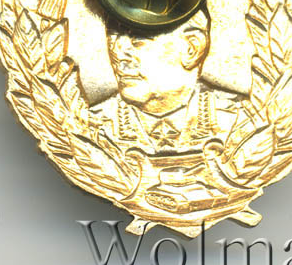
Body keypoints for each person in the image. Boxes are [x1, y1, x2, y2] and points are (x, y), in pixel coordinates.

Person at [88, 8, 244, 155]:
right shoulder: (92, 124)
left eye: (138, 39)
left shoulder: (240, 119)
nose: (117, 55)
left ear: (192, 48)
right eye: (112, 39)